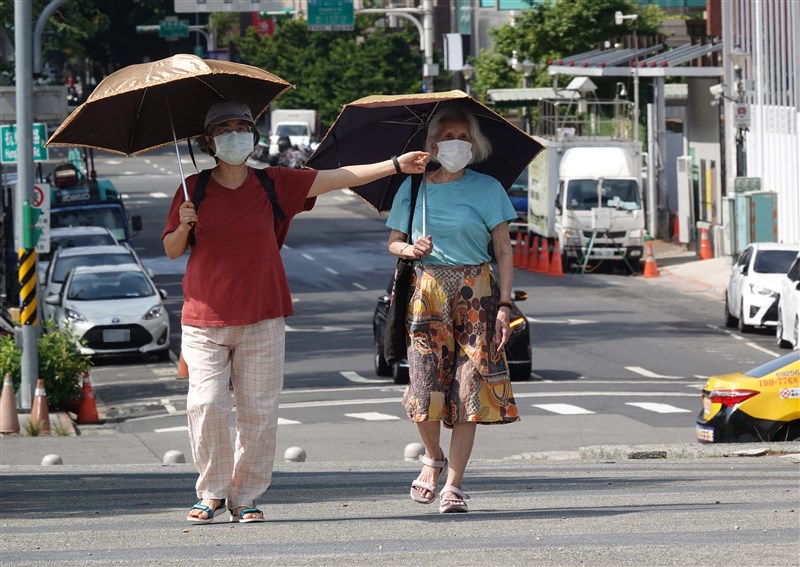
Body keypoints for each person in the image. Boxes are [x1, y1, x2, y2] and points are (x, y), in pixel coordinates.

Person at [162, 100, 429, 524]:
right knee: (206, 405)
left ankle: (245, 496)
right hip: (204, 320)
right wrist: (183, 224)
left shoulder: (275, 183)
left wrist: (395, 164)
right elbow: (172, 250)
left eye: (242, 127)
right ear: (209, 142)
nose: (234, 136)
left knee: (259, 413)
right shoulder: (193, 189)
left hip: (264, 316)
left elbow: (337, 177)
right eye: (224, 130)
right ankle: (211, 491)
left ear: (254, 136)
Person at [384, 105, 520, 514]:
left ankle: (454, 485)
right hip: (427, 292)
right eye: (448, 136)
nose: (456, 143)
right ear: (431, 144)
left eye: (464, 136)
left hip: (477, 292)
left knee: (468, 389)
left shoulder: (488, 188)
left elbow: (503, 251)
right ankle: (433, 458)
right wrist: (410, 249)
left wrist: (505, 305)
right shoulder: (413, 189)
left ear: (475, 144)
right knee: (424, 385)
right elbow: (393, 242)